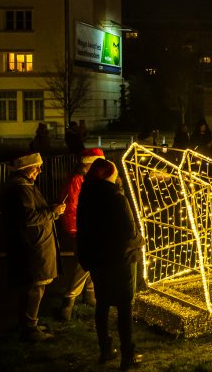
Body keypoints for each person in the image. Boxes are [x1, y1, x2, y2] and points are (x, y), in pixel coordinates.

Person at [77, 158, 145, 369]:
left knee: (103, 304)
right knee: (124, 307)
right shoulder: (116, 197)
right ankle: (128, 354)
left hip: (97, 259)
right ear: (109, 174)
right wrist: (141, 240)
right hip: (119, 260)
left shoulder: (86, 194)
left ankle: (105, 349)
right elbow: (129, 233)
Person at [1, 151, 66, 342]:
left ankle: (26, 323)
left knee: (31, 286)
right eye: (36, 167)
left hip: (32, 243)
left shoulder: (24, 186)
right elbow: (29, 218)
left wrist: (50, 210)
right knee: (34, 287)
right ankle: (29, 328)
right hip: (32, 245)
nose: (39, 170)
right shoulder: (21, 189)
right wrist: (53, 212)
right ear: (25, 169)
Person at [55, 147, 104, 321]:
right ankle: (68, 300)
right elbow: (72, 207)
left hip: (90, 226)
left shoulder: (87, 179)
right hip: (81, 228)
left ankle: (89, 294)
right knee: (84, 263)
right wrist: (76, 230)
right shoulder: (77, 180)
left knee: (93, 261)